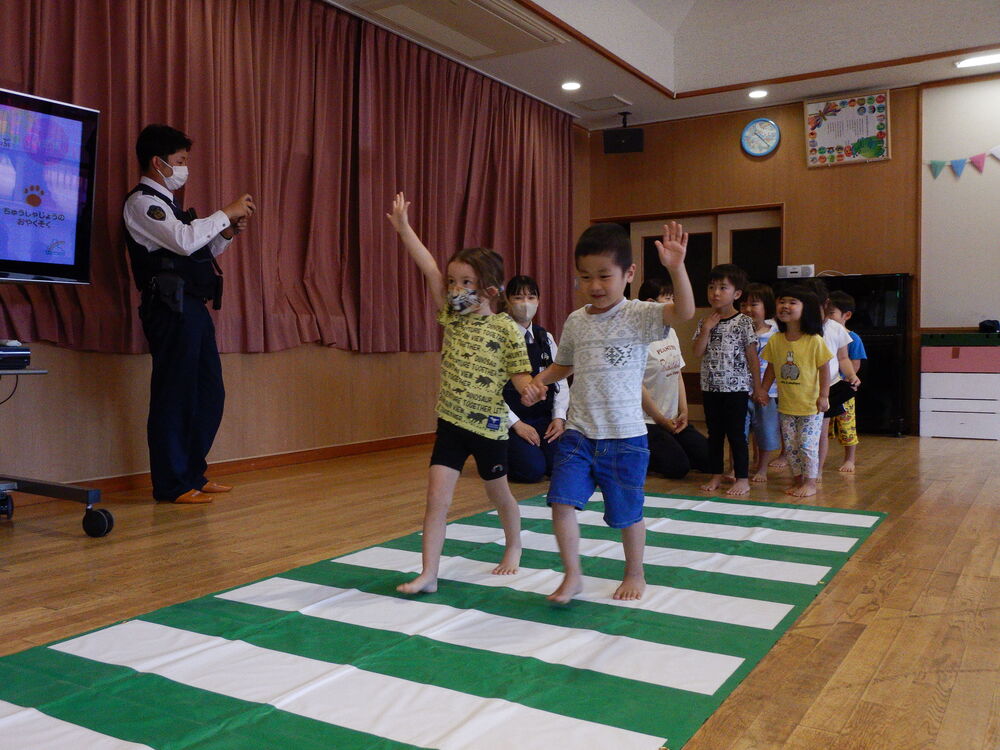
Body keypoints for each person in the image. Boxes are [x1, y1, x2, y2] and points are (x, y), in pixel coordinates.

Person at [522, 221, 695, 604]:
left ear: (629, 274)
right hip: (580, 433)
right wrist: (539, 382)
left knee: (627, 514)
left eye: (605, 275)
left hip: (626, 437)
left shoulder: (640, 314)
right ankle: (573, 574)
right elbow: (563, 365)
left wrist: (676, 267)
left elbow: (683, 311)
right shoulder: (575, 321)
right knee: (561, 501)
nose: (595, 285)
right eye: (585, 277)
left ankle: (635, 572)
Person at [386, 192, 532, 594]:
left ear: (489, 289)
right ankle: (429, 573)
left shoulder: (505, 328)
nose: (454, 289)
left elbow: (519, 376)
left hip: (488, 427)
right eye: (453, 282)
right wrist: (404, 228)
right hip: (450, 422)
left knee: (498, 493)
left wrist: (531, 391)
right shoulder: (452, 315)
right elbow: (429, 267)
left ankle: (514, 544)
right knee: (436, 498)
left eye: (466, 283)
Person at [123, 124, 256, 504]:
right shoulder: (141, 203)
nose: (185, 168)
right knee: (174, 394)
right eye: (180, 161)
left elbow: (195, 251)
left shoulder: (172, 208)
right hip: (168, 308)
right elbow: (182, 240)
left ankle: (193, 473)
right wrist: (224, 212)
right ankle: (171, 483)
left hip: (192, 307)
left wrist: (225, 233)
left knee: (208, 392)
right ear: (158, 162)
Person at [692, 264, 765, 496]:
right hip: (711, 387)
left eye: (723, 288)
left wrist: (758, 387)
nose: (715, 292)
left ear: (736, 294)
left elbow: (752, 355)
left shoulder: (743, 322)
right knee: (715, 434)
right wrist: (706, 329)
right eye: (712, 287)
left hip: (737, 388)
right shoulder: (706, 321)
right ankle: (716, 475)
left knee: (736, 434)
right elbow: (696, 352)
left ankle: (742, 478)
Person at [758, 286, 833, 497]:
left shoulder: (815, 341)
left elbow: (824, 369)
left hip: (810, 406)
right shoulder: (776, 340)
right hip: (786, 405)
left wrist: (824, 395)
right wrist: (763, 389)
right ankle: (798, 480)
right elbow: (771, 367)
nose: (785, 306)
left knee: (807, 445)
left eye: (792, 302)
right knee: (791, 447)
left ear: (805, 308)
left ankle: (810, 482)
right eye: (782, 302)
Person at [638, 278, 709, 479]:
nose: (674, 303)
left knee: (711, 459)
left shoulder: (671, 332)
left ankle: (674, 445)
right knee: (678, 467)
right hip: (648, 421)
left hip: (673, 419)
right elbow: (637, 386)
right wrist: (660, 420)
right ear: (651, 303)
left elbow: (677, 374)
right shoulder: (638, 338)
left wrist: (684, 412)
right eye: (668, 298)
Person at [502, 275, 570, 483]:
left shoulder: (545, 338)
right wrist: (516, 424)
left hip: (542, 418)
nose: (525, 304)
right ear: (507, 301)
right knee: (531, 470)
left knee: (562, 466)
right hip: (510, 421)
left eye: (531, 297)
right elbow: (487, 393)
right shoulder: (497, 337)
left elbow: (561, 381)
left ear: (539, 301)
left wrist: (559, 417)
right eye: (518, 297)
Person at [802, 278, 861, 477]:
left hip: (828, 387)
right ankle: (802, 470)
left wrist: (852, 375)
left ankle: (816, 471)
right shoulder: (794, 329)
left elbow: (843, 358)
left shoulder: (835, 329)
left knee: (820, 430)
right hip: (799, 388)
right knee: (799, 432)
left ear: (824, 304)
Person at [740, 282, 781, 482]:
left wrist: (763, 389)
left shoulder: (774, 334)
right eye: (743, 305)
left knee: (765, 432)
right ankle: (736, 468)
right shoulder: (737, 330)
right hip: (739, 390)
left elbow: (774, 365)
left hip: (768, 392)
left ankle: (762, 468)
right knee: (738, 433)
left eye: (754, 304)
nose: (748, 309)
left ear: (766, 307)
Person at [827, 291, 867, 472]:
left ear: (846, 315)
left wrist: (846, 380)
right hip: (826, 387)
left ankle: (850, 458)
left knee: (846, 424)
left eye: (831, 314)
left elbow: (855, 364)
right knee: (825, 424)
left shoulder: (853, 338)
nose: (827, 318)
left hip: (842, 388)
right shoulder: (824, 334)